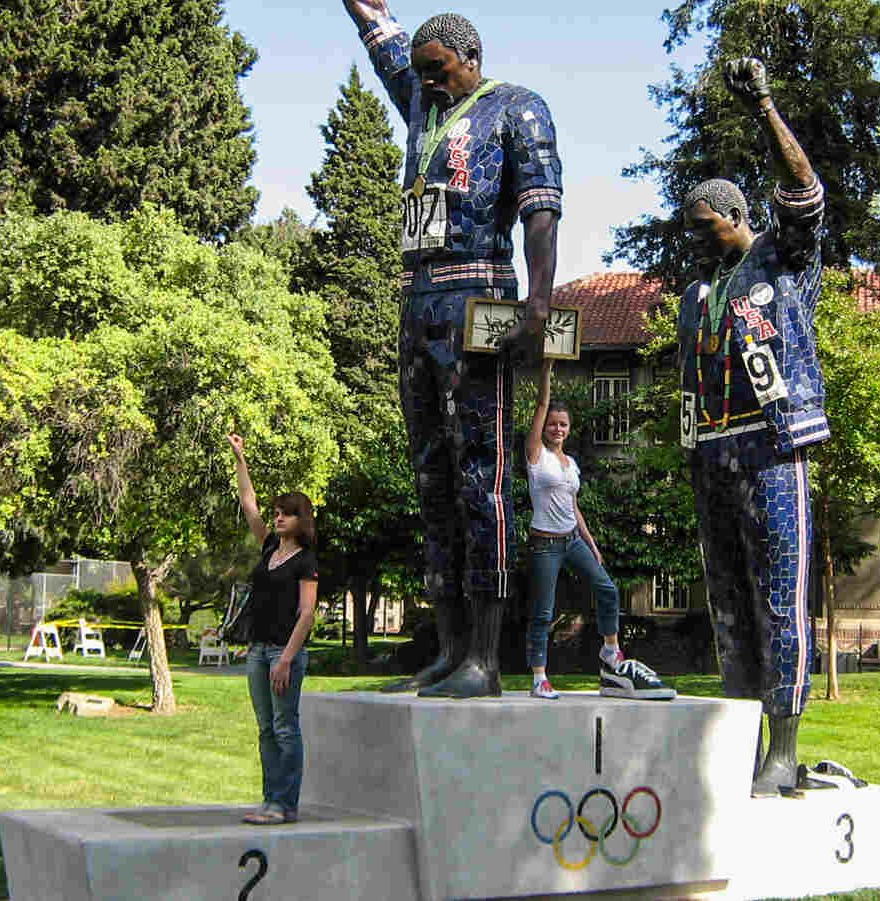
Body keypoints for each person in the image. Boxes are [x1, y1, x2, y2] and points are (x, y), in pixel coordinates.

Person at [342, 0, 563, 698]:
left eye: (438, 72)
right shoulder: (421, 103)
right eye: (421, 74)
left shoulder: (517, 109)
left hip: (480, 294)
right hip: (416, 300)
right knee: (431, 476)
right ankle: (447, 645)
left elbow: (541, 210)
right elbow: (381, 35)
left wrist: (538, 301)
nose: (427, 84)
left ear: (471, 60)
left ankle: (487, 659)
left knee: (482, 476)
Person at [676, 58, 829, 795]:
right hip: (712, 453)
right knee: (728, 605)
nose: (697, 243)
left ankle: (783, 746)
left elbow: (803, 192)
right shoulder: (696, 293)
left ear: (737, 218)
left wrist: (765, 104)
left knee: (778, 598)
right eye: (690, 233)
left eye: (705, 229)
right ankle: (739, 737)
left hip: (772, 449)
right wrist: (690, 450)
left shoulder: (783, 259)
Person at [524, 358, 674, 701]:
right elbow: (542, 404)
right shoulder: (536, 456)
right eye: (552, 424)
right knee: (544, 612)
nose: (557, 429)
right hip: (545, 544)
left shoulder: (570, 464)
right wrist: (546, 373)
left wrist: (591, 544)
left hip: (573, 539)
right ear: (543, 428)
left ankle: (610, 651)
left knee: (608, 589)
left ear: (569, 429)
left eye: (563, 425)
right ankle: (539, 678)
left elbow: (573, 507)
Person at [228, 434, 319, 824]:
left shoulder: (305, 561)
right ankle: (270, 801)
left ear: (302, 520)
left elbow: (307, 614)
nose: (278, 517)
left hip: (285, 653)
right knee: (266, 728)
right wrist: (240, 458)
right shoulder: (268, 549)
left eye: (287, 513)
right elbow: (248, 504)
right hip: (258, 650)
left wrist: (286, 658)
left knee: (285, 727)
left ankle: (286, 804)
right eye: (277, 512)